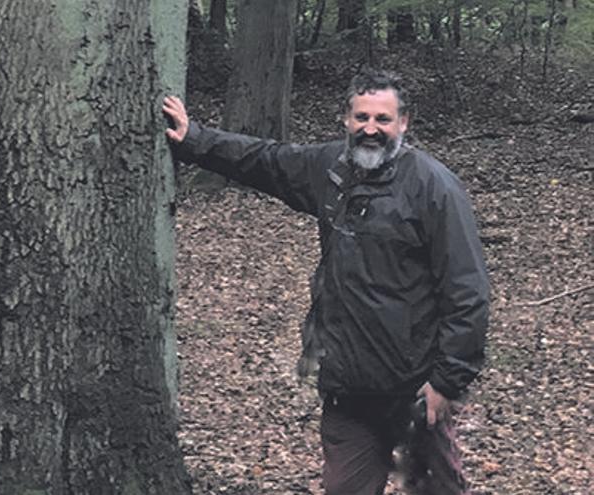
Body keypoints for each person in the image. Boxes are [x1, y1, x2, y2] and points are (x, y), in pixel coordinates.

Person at [162, 69, 489, 495]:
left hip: (414, 387)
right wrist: (194, 140)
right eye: (361, 117)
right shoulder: (330, 168)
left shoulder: (434, 188)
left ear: (403, 123)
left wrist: (446, 382)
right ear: (346, 120)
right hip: (347, 387)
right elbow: (265, 160)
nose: (371, 129)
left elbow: (468, 292)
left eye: (383, 119)